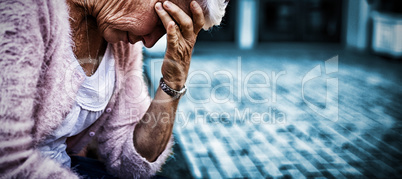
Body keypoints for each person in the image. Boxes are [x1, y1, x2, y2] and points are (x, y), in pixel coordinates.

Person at [0, 0, 228, 178]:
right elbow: (8, 160)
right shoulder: (25, 12)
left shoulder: (123, 47)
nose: (149, 42)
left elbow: (129, 163)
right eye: (160, 21)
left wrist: (174, 81)